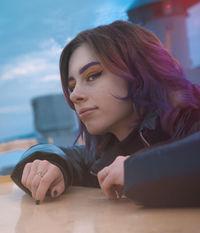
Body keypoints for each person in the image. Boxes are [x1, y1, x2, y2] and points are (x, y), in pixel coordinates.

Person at [11, 20, 200, 207]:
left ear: (138, 72)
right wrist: (51, 165)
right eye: (71, 86)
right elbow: (56, 152)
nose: (75, 95)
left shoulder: (190, 118)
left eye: (92, 75)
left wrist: (137, 169)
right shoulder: (106, 156)